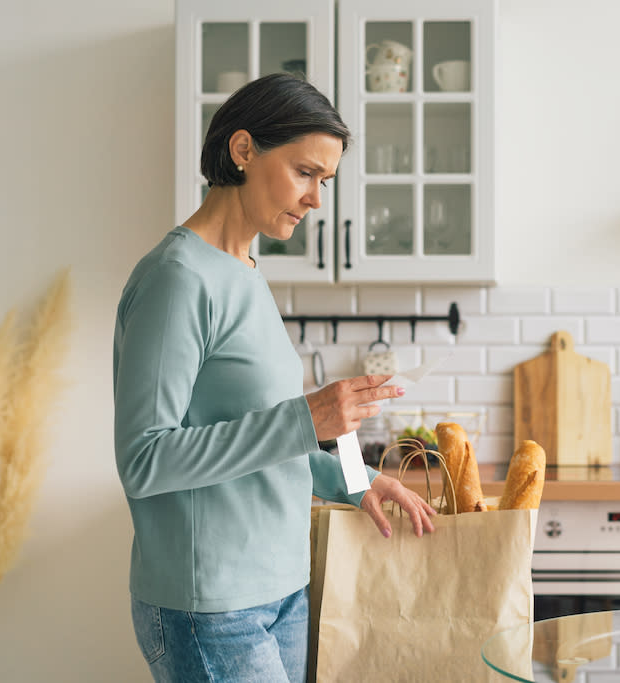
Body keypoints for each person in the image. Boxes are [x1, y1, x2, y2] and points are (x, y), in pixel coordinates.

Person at [112, 73, 435, 683]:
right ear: (243, 151)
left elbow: (270, 436)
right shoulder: (178, 278)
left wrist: (355, 479)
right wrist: (306, 416)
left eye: (325, 181)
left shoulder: (244, 271)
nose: (316, 197)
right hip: (209, 605)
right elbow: (144, 459)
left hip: (282, 588)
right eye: (305, 172)